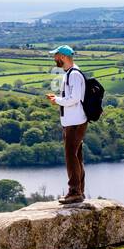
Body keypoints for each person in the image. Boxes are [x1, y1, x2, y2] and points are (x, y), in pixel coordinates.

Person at [47, 44, 87, 204]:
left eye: (56, 56)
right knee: (76, 157)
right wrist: (57, 98)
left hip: (75, 123)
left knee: (71, 156)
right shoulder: (70, 74)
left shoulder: (74, 75)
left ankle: (74, 192)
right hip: (73, 122)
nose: (54, 59)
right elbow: (72, 97)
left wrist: (56, 100)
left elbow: (74, 99)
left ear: (63, 57)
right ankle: (79, 191)